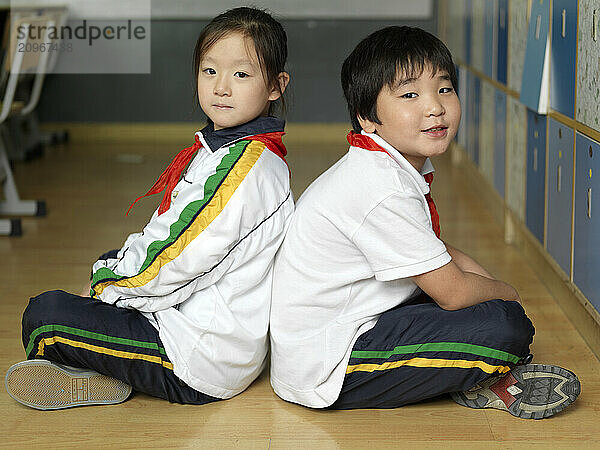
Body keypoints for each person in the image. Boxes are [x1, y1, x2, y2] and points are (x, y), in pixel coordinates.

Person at [269, 26, 580, 419]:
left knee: (483, 306)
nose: (435, 107)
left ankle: (471, 372)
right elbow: (453, 293)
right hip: (328, 364)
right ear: (369, 117)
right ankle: (479, 376)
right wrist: (508, 294)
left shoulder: (385, 166)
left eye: (444, 89)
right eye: (410, 94)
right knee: (505, 329)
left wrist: (493, 292)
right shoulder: (379, 186)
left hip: (349, 325)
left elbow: (438, 253)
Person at [6, 6, 293, 410]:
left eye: (241, 74)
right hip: (202, 333)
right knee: (106, 267)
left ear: (275, 86)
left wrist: (104, 288)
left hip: (196, 359)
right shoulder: (234, 151)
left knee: (44, 315)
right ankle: (100, 372)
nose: (221, 87)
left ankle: (97, 369)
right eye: (210, 71)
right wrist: (108, 274)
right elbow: (170, 236)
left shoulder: (243, 168)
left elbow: (174, 259)